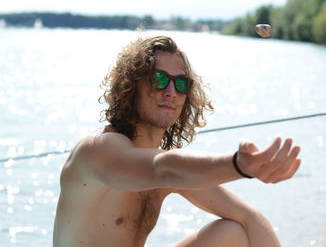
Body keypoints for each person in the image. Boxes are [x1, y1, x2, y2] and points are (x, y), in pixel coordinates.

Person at [53, 36, 301, 247]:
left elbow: (250, 217)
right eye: (158, 79)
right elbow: (163, 168)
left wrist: (257, 167)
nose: (171, 91)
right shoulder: (98, 150)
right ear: (130, 85)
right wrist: (238, 165)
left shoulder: (168, 171)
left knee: (232, 233)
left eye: (181, 83)